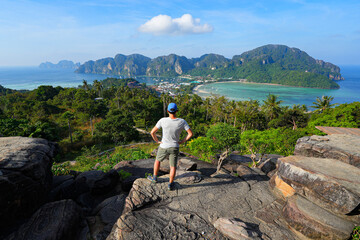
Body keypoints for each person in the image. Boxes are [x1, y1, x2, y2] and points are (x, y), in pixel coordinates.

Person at [148, 103, 193, 190]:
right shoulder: (182, 121)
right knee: (173, 166)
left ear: (168, 111)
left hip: (163, 146)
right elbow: (190, 134)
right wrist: (182, 141)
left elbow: (152, 132)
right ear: (176, 111)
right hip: (174, 146)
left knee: (157, 161)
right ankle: (170, 184)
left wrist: (157, 141)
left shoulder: (162, 120)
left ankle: (154, 178)